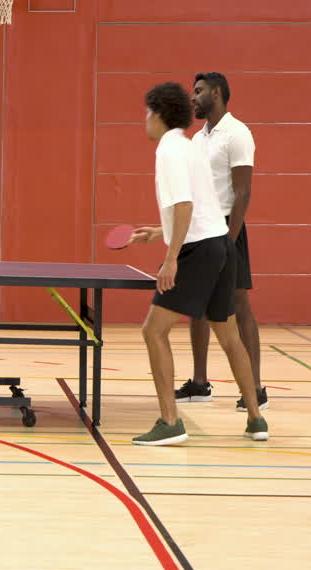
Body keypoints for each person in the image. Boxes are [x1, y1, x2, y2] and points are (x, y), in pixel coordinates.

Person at [130, 82, 267, 446]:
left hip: (200, 251)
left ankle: (170, 422)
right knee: (228, 334)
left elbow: (186, 206)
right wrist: (160, 231)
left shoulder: (169, 150)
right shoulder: (191, 147)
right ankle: (256, 419)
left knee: (153, 331)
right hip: (222, 245)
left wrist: (170, 257)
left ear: (159, 114)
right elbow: (202, 206)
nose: (144, 120)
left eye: (147, 112)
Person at [175, 71, 267, 411]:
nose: (193, 97)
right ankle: (200, 384)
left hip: (228, 228)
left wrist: (229, 240)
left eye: (198, 91)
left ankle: (254, 388)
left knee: (239, 305)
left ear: (217, 92)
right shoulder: (199, 138)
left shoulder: (237, 133)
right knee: (196, 306)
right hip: (200, 228)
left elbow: (243, 190)